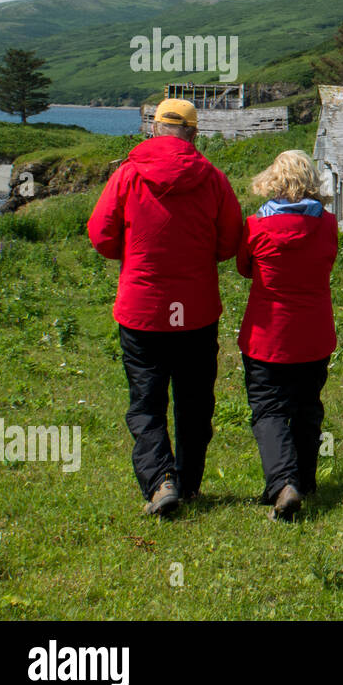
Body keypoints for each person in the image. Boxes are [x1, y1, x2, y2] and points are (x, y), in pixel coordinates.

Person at [87, 99, 242, 516]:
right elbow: (230, 243)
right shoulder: (212, 179)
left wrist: (134, 254)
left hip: (144, 310)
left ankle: (160, 482)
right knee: (194, 401)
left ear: (154, 129)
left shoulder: (127, 175)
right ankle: (189, 484)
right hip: (194, 310)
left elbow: (101, 236)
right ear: (194, 133)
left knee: (146, 402)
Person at [236, 150, 338, 521]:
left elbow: (245, 268)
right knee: (307, 407)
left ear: (273, 181)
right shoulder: (327, 226)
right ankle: (305, 481)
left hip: (268, 335)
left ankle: (283, 482)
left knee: (269, 408)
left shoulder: (255, 227)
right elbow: (328, 261)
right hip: (313, 334)